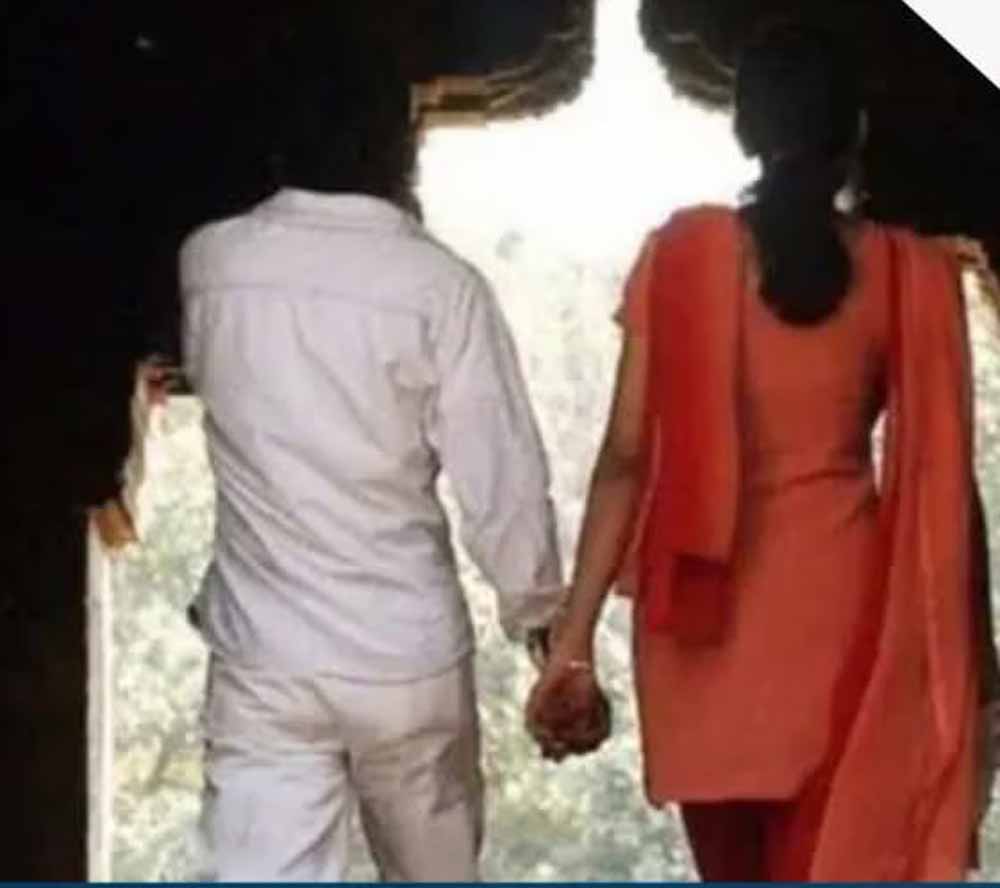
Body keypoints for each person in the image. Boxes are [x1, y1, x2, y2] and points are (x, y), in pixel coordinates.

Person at [527, 23, 1000, 882]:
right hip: (849, 630)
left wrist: (574, 642)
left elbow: (626, 458)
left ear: (743, 127)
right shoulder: (906, 272)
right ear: (854, 131)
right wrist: (979, 677)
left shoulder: (682, 255)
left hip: (705, 635)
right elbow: (944, 486)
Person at [180, 35, 564, 882]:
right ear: (401, 144)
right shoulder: (441, 287)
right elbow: (501, 481)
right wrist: (542, 620)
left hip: (266, 656)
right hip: (406, 656)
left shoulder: (210, 264)